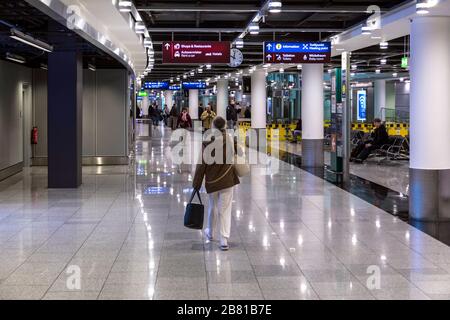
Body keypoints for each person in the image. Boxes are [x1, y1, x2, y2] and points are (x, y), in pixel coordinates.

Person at [193, 116, 240, 251]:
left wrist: (197, 183)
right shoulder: (230, 138)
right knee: (225, 209)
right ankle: (224, 239)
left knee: (212, 206)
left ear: (213, 126)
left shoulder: (207, 140)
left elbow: (201, 164)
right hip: (227, 179)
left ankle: (210, 232)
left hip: (212, 180)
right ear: (224, 126)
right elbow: (239, 152)